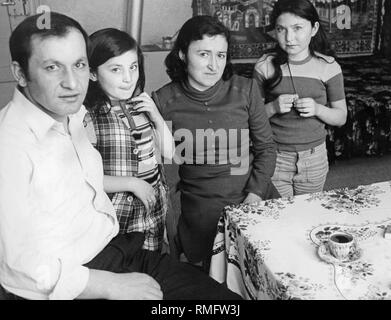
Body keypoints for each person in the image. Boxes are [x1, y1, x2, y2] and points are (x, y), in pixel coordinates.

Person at [0, 12, 241, 300]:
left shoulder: (72, 115)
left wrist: (153, 116)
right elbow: (17, 265)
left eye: (78, 65)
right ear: (20, 72)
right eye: (52, 67)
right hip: (75, 275)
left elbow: (170, 155)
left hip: (118, 245)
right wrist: (107, 284)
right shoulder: (11, 145)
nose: (72, 83)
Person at [152, 15, 279, 269]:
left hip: (253, 195)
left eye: (221, 55)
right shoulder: (164, 102)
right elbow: (163, 170)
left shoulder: (245, 90)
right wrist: (168, 220)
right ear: (182, 55)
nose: (214, 65)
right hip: (202, 207)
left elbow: (266, 148)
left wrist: (254, 196)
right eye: (203, 54)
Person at [83, 28, 174, 252]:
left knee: (153, 265)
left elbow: (170, 153)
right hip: (118, 213)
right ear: (93, 74)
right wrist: (132, 184)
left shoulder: (143, 107)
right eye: (116, 69)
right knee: (125, 266)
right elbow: (84, 178)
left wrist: (156, 116)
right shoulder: (88, 119)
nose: (128, 78)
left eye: (133, 67)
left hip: (153, 205)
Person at [253, 0, 347, 198]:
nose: (289, 38)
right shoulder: (264, 66)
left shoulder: (329, 67)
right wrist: (274, 107)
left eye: (297, 28)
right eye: (281, 29)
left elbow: (341, 117)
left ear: (314, 28)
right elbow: (251, 118)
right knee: (280, 216)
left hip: (314, 159)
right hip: (275, 157)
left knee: (307, 215)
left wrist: (317, 109)